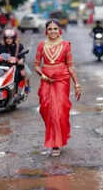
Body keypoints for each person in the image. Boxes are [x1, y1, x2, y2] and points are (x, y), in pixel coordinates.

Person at [34, 20, 82, 157]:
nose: (53, 31)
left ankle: (56, 144)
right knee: (46, 109)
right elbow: (37, 65)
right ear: (46, 31)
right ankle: (55, 136)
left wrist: (77, 84)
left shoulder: (66, 46)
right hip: (46, 81)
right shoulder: (41, 45)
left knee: (59, 111)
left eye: (55, 28)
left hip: (62, 80)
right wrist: (43, 76)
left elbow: (71, 66)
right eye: (50, 29)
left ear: (59, 30)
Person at [0, 29, 31, 96]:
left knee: (26, 73)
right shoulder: (1, 45)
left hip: (16, 65)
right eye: (7, 38)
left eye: (10, 38)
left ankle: (25, 88)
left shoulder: (18, 46)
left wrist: (21, 59)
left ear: (14, 38)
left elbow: (22, 54)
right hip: (3, 65)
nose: (8, 40)